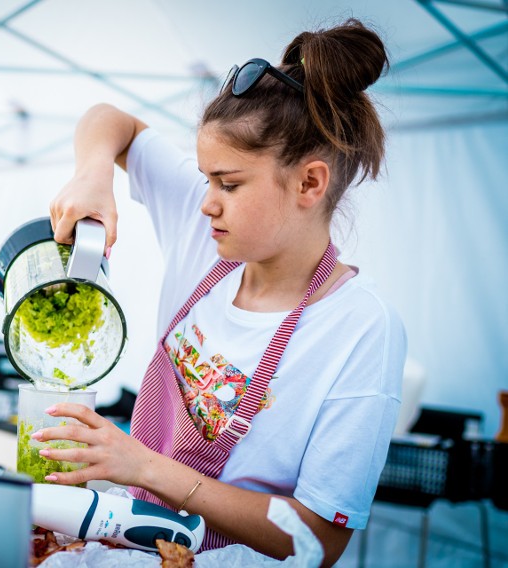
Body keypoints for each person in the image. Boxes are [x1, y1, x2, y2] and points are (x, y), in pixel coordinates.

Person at [41, 19, 406, 565]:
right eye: (207, 180)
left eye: (229, 185)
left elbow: (317, 541)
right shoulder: (205, 236)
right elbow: (109, 120)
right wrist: (95, 172)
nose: (207, 202)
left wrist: (143, 466)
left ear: (309, 183)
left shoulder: (361, 328)